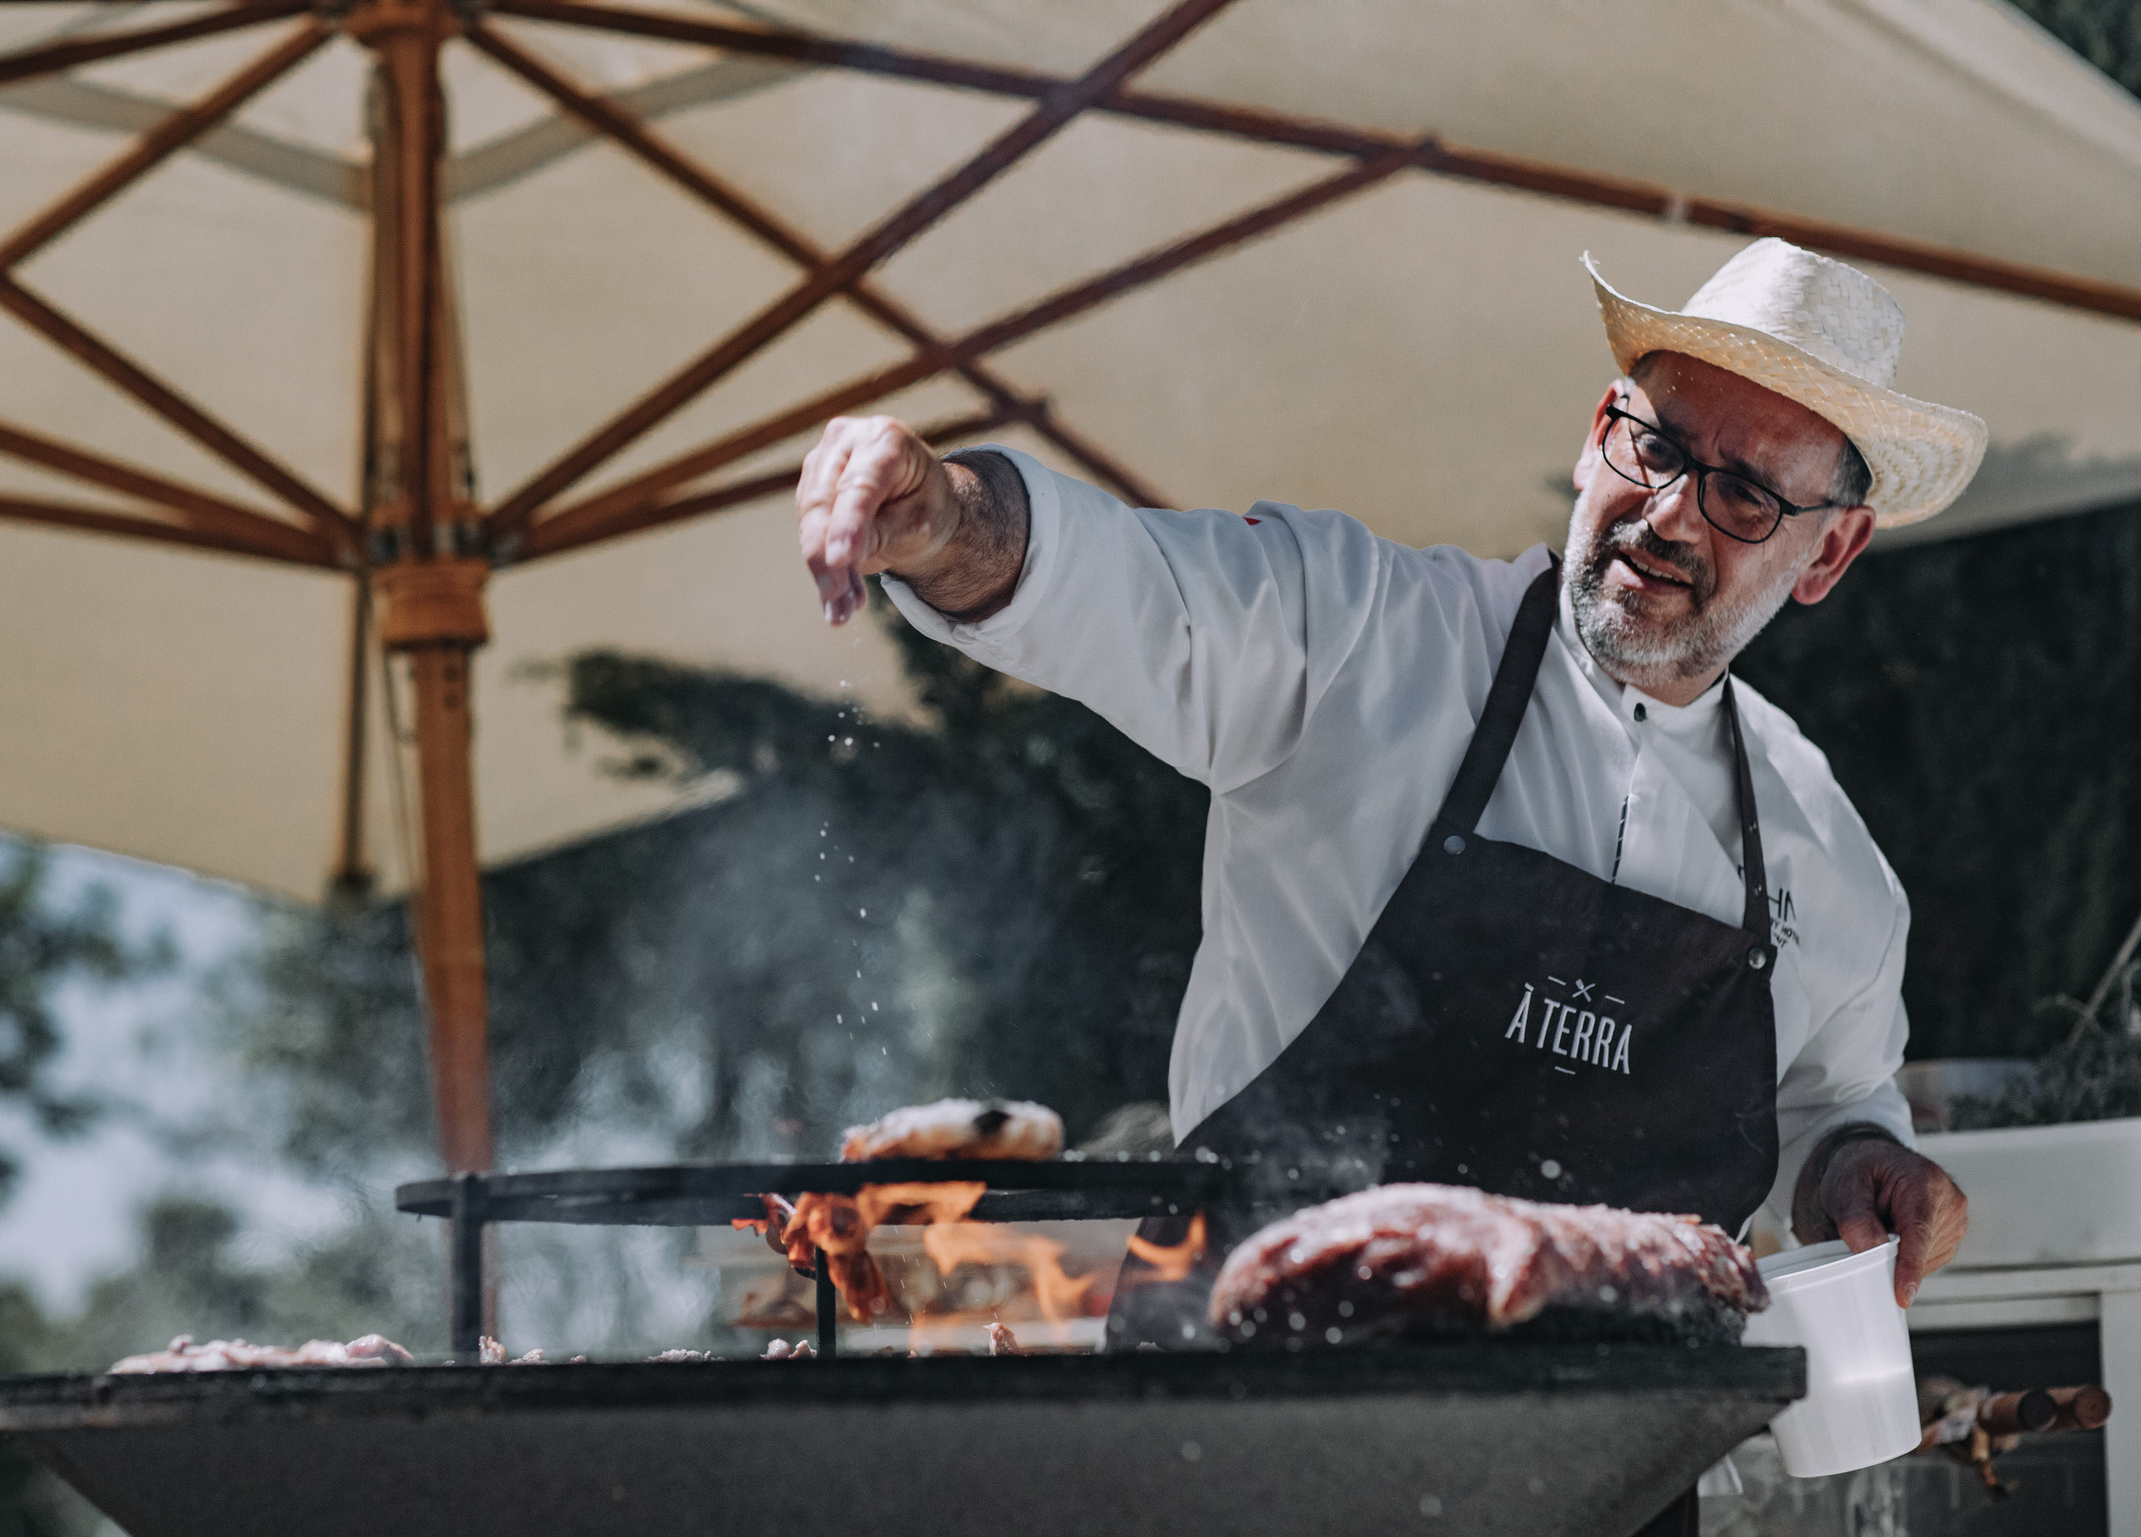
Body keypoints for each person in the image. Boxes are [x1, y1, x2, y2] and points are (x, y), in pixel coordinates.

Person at [793, 239, 1976, 1532]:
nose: (1671, 514)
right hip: (1232, 1465)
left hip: (1602, 1502)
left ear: (1829, 552)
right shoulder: (1360, 634)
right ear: (1599, 427)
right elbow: (1117, 586)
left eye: (1743, 494)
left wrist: (1861, 1163)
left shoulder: (1824, 856)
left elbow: (1831, 1098)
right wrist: (946, 516)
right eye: (1655, 447)